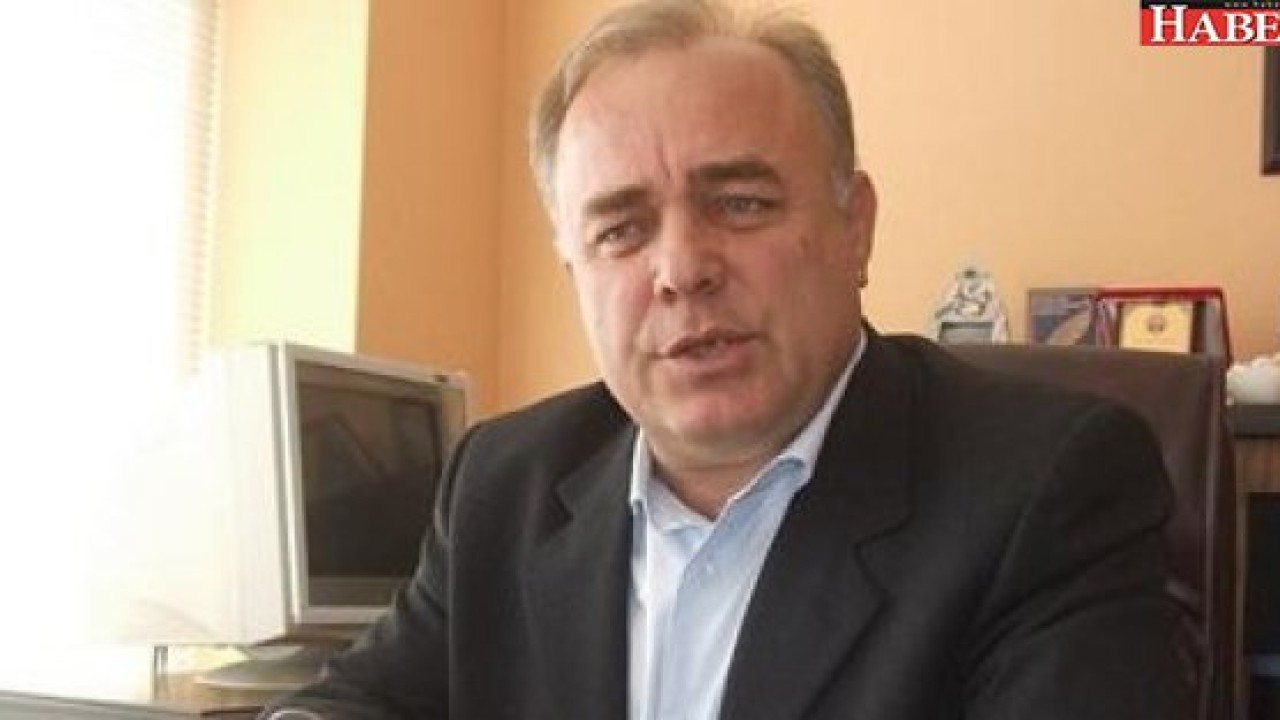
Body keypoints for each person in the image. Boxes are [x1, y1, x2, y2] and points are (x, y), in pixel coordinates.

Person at [263, 1, 1190, 718]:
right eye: (620, 229)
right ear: (576, 269)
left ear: (855, 228)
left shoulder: (1046, 491)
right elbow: (362, 699)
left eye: (741, 204)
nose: (681, 270)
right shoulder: (503, 484)